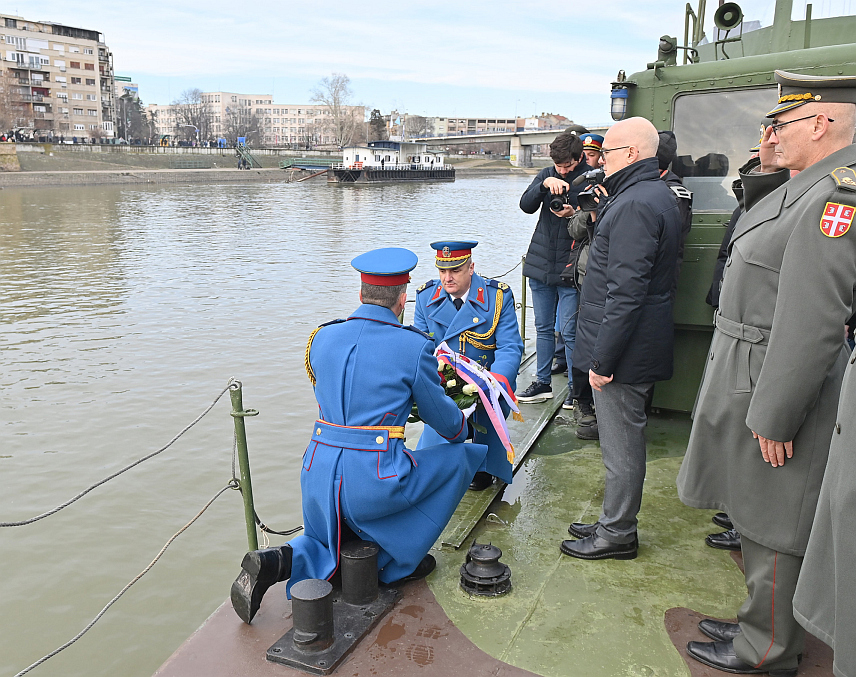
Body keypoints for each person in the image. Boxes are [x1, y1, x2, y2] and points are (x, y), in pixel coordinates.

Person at [677, 70, 856, 676]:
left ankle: (768, 648)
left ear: (822, 123)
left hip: (777, 379)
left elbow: (814, 322)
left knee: (776, 517)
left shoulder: (834, 197)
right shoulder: (805, 186)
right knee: (752, 511)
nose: (772, 134)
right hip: (749, 368)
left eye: (783, 122)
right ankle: (760, 619)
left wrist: (777, 415)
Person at [230, 247, 487, 624]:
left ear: (361, 293)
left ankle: (276, 560)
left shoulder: (321, 337)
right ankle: (396, 562)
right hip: (374, 480)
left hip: (317, 475)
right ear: (403, 299)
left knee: (323, 537)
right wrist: (464, 427)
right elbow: (445, 424)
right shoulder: (414, 346)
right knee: (460, 458)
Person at [560, 116, 682, 561]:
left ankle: (617, 533)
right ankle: (614, 518)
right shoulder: (652, 194)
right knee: (620, 441)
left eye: (608, 152)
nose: (600, 161)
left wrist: (603, 360)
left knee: (621, 445)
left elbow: (626, 292)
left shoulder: (634, 204)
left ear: (631, 153)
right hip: (635, 343)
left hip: (623, 353)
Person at [414, 240, 524, 491]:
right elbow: (421, 349)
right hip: (445, 385)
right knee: (431, 453)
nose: (447, 278)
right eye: (442, 271)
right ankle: (438, 462)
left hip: (487, 384)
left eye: (455, 270)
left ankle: (484, 464)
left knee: (488, 412)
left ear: (471, 268)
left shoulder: (497, 297)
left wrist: (495, 383)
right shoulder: (425, 297)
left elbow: (509, 346)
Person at [518, 130, 590, 405]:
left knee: (570, 332)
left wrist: (574, 213)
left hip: (571, 266)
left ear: (579, 158)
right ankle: (542, 382)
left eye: (567, 166)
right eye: (558, 165)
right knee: (543, 328)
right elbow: (526, 206)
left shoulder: (590, 179)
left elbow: (598, 219)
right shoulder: (547, 174)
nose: (562, 171)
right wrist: (543, 184)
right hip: (542, 263)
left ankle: (575, 388)